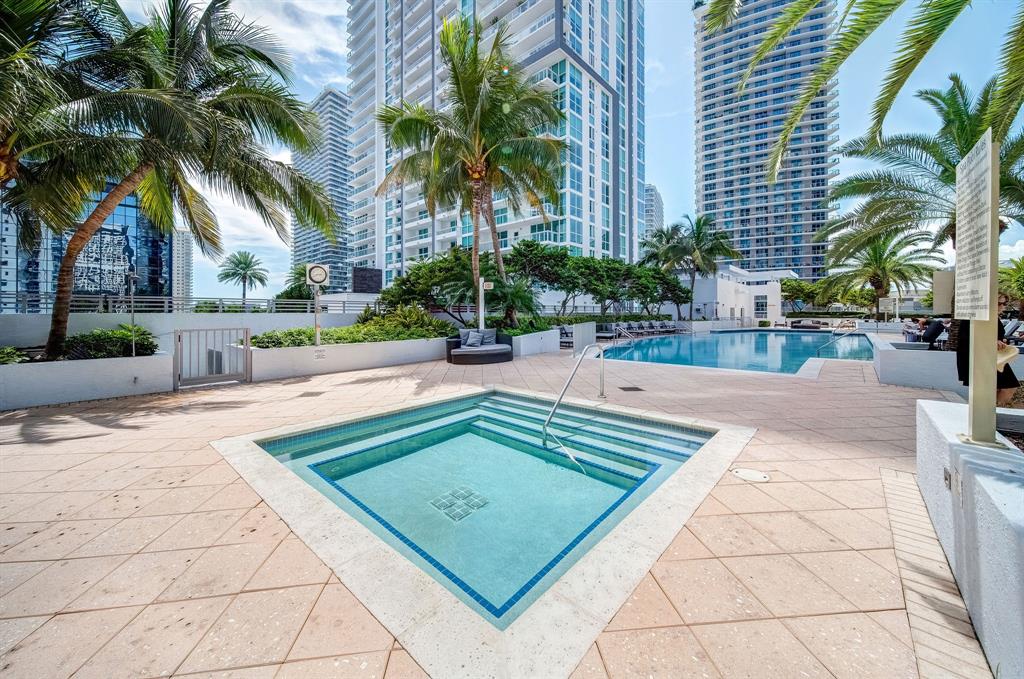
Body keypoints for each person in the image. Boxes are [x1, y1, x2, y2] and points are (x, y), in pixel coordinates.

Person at [956, 296, 1020, 406]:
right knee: (1007, 386)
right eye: (999, 303)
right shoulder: (976, 317)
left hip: (993, 357)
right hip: (983, 358)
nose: (1002, 307)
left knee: (998, 388)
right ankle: (990, 413)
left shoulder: (992, 317)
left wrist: (1000, 341)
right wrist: (991, 342)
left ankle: (991, 412)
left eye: (1004, 304)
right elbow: (968, 338)